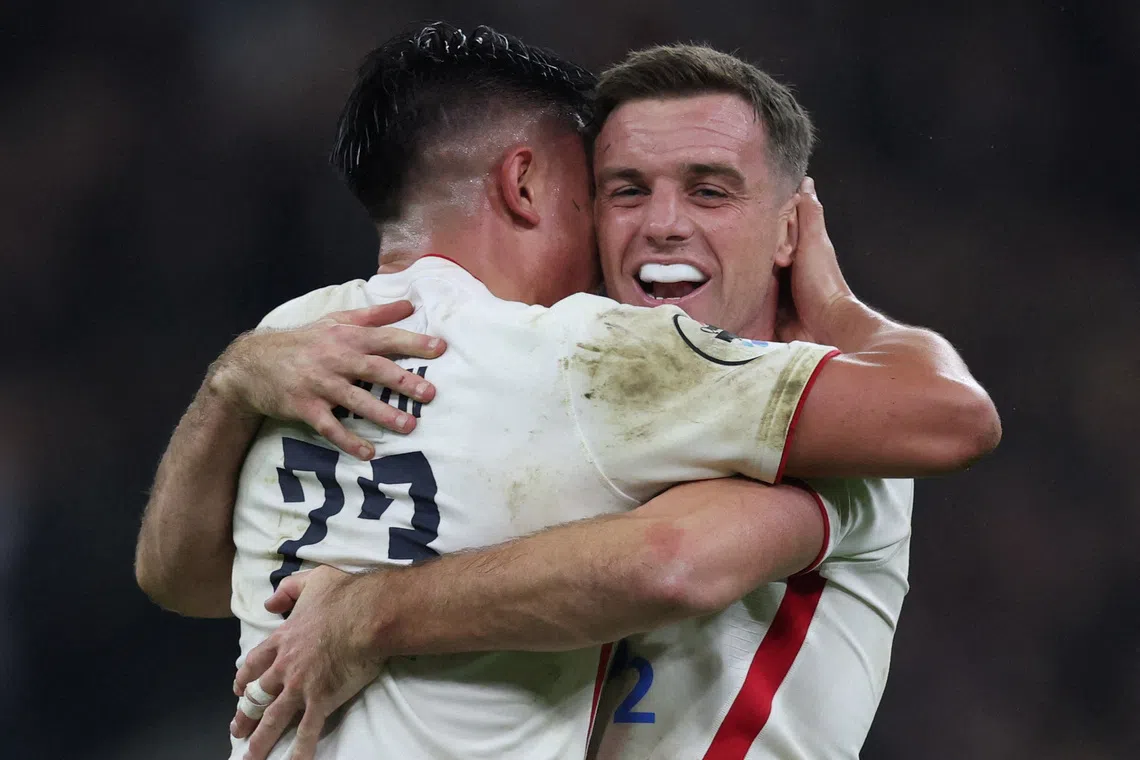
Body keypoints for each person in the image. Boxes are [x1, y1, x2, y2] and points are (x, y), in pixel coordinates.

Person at [135, 25, 1000, 760]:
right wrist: (234, 378)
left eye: (709, 190)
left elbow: (670, 561)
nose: (660, 223)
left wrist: (365, 614)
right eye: (621, 191)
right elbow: (185, 579)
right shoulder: (535, 375)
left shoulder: (831, 434)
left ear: (789, 228)